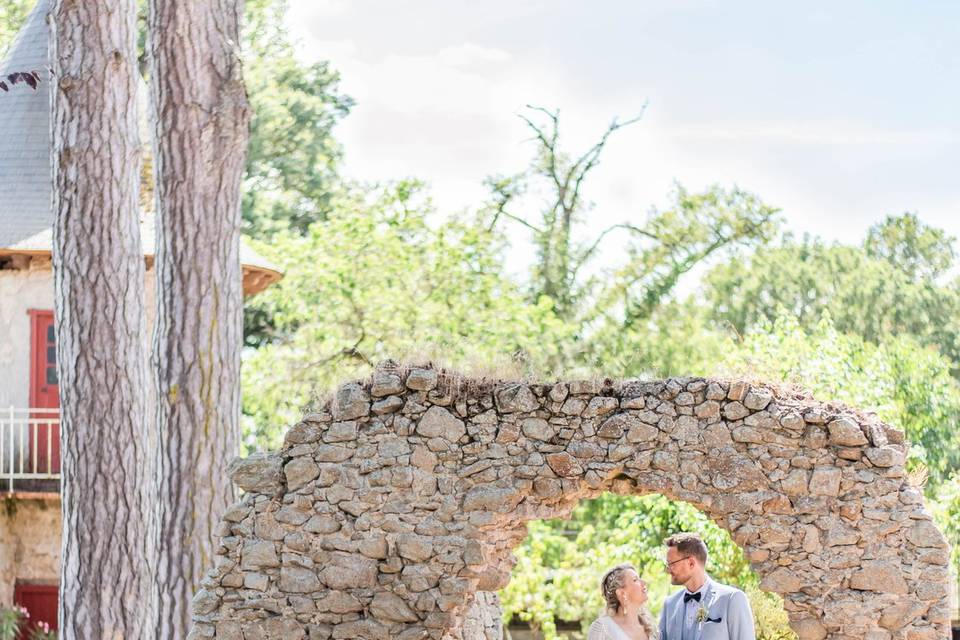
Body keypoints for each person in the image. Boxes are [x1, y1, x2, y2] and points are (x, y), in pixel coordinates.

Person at [658, 532, 756, 640]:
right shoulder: (670, 604)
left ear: (691, 563)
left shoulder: (732, 599)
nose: (668, 569)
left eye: (671, 564)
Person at [588, 563, 657, 640]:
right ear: (621, 593)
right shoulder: (602, 628)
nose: (644, 583)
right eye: (635, 580)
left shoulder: (651, 630)